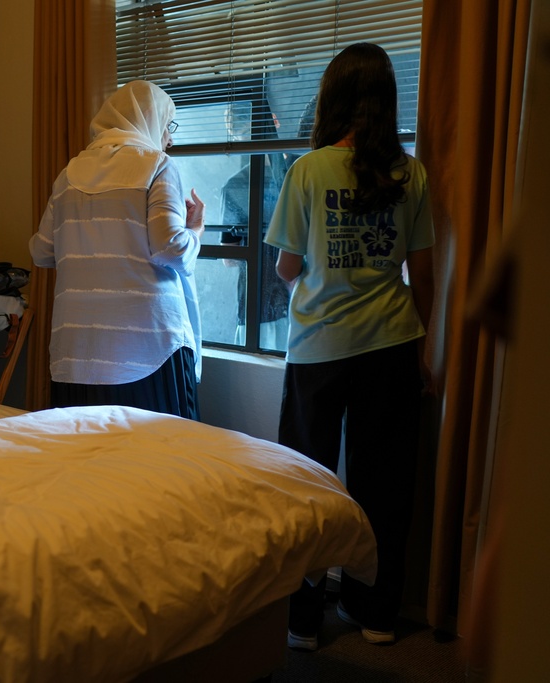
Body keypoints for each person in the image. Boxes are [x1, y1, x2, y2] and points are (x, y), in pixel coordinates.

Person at [264, 43, 435, 650]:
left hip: (319, 348)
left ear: (331, 98)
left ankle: (302, 620)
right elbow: (424, 274)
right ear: (386, 102)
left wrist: (319, 281)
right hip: (392, 342)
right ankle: (378, 613)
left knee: (305, 483)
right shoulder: (409, 172)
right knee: (384, 483)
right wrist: (422, 348)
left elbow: (287, 265)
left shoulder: (307, 171)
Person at [29, 80, 205, 420]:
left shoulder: (68, 174)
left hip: (78, 355)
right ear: (150, 122)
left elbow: (41, 251)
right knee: (163, 461)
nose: (170, 138)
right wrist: (195, 230)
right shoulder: (157, 165)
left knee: (87, 462)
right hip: (149, 351)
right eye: (168, 126)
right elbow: (170, 248)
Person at [218, 103, 291, 350]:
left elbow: (229, 258)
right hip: (271, 306)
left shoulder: (236, 186)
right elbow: (228, 258)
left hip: (266, 305)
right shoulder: (302, 172)